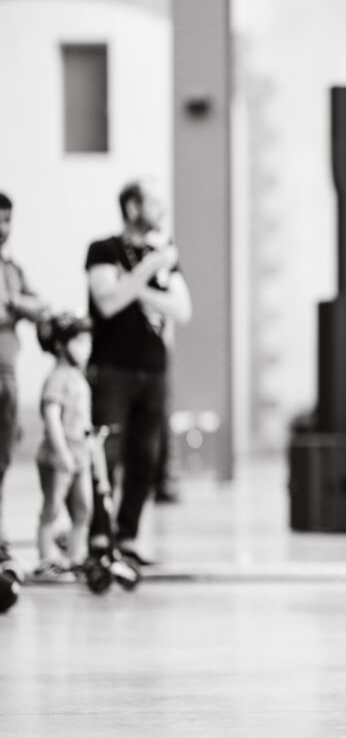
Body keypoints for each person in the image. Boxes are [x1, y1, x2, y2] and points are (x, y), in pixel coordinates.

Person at [86, 180, 192, 567]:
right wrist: (148, 270)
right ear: (132, 208)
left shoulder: (164, 257)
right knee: (105, 457)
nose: (161, 210)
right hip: (113, 368)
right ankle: (99, 540)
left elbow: (182, 310)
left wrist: (137, 286)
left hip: (154, 371)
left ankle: (127, 538)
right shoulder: (104, 250)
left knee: (145, 459)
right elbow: (108, 302)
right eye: (154, 203)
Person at [0, 192, 50, 582]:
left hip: (8, 370)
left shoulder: (12, 268)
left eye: (7, 221)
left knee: (2, 457)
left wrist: (17, 302)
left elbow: (36, 306)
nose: (4, 229)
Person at [32, 314, 93, 581]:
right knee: (52, 508)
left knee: (83, 509)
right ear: (60, 345)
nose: (86, 348)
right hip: (58, 459)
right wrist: (63, 452)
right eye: (79, 341)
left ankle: (76, 558)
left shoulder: (78, 377)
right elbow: (52, 418)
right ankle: (46, 560)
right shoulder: (57, 378)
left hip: (80, 457)